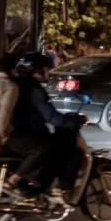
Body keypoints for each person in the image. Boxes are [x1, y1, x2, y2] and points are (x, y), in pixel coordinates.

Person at [5, 52, 84, 198]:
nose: (49, 72)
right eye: (47, 68)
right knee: (72, 151)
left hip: (16, 132)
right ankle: (60, 189)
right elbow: (52, 118)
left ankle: (42, 186)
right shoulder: (34, 90)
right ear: (38, 70)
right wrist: (75, 121)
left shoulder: (18, 85)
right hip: (28, 133)